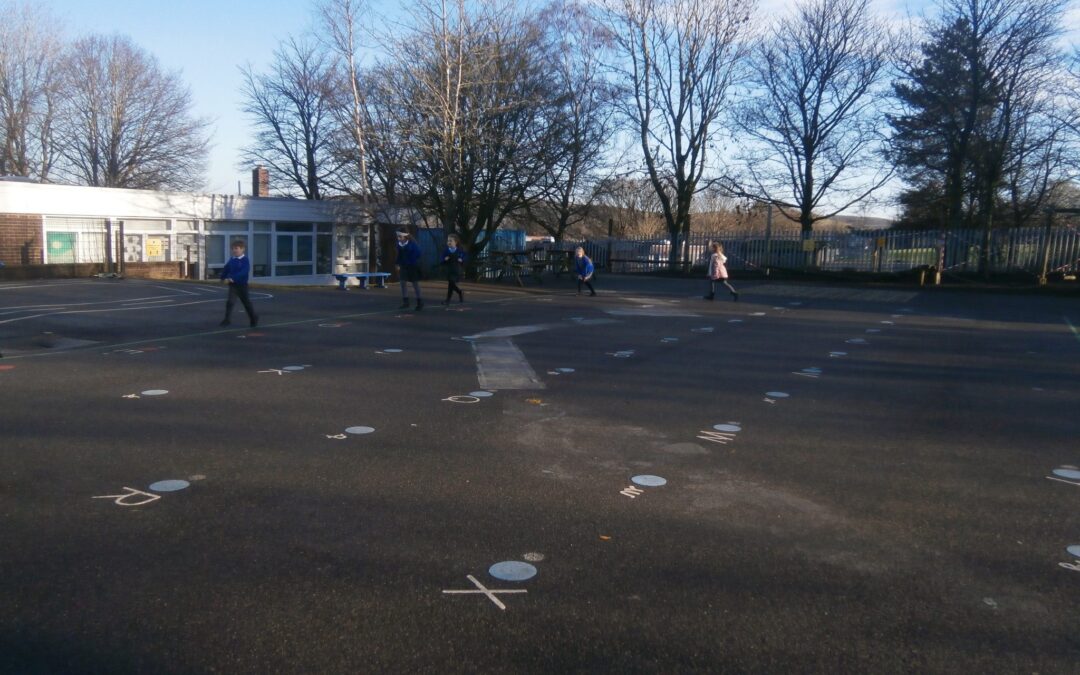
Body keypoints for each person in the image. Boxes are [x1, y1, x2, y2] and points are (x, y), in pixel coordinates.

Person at [219, 240, 258, 326]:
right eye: (233, 249)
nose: (234, 250)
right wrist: (222, 278)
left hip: (242, 285)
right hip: (233, 286)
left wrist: (233, 278)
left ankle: (253, 318)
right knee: (230, 302)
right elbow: (226, 268)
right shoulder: (232, 259)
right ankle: (227, 320)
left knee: (246, 303)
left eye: (236, 248)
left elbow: (244, 272)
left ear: (242, 249)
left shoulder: (245, 260)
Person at [395, 228, 423, 310]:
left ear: (405, 236)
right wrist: (397, 263)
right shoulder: (399, 244)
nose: (398, 238)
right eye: (398, 236)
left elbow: (418, 254)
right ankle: (406, 302)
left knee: (415, 284)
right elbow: (399, 255)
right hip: (403, 266)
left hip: (412, 266)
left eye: (400, 236)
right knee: (402, 283)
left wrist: (411, 260)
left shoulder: (412, 244)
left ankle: (420, 302)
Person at [440, 234, 467, 304]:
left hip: (456, 270)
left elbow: (464, 257)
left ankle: (447, 300)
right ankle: (459, 292)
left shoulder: (459, 251)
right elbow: (442, 258)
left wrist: (461, 259)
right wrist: (444, 259)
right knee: (451, 284)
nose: (449, 242)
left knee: (451, 283)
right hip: (449, 270)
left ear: (456, 242)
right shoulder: (446, 250)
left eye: (450, 241)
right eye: (448, 241)